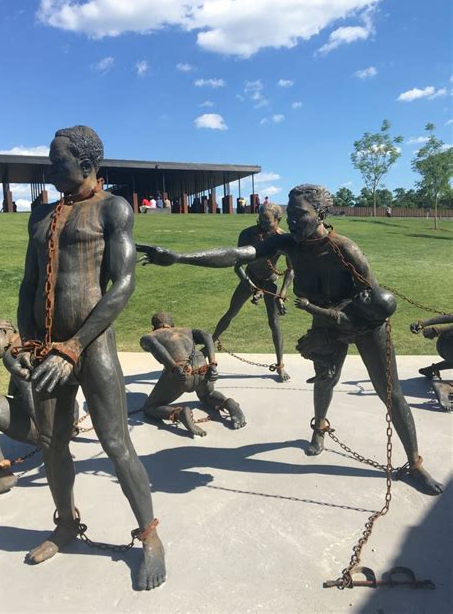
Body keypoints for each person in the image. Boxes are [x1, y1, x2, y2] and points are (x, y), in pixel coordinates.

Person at [136, 183, 443, 496]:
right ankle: (320, 428)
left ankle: (415, 462)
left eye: (301, 215)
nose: (293, 221)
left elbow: (375, 301)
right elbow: (238, 255)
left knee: (389, 392)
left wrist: (342, 320)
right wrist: (179, 257)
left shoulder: (345, 248)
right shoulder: (287, 243)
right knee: (325, 380)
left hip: (364, 323)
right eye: (291, 215)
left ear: (321, 214)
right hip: (325, 320)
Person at [9, 125, 165, 590]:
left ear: (87, 164)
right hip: (44, 349)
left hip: (90, 346)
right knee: (53, 444)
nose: (50, 168)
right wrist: (23, 344)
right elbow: (28, 285)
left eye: (58, 161)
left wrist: (75, 346)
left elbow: (123, 284)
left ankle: (151, 538)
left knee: (116, 445)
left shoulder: (113, 209)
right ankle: (64, 525)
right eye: (50, 160)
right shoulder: (42, 216)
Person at [212, 202, 293, 382]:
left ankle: (280, 366)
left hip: (270, 282)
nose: (262, 227)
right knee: (231, 313)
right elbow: (237, 264)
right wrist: (250, 285)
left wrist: (282, 293)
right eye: (260, 221)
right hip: (250, 277)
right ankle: (209, 345)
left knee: (274, 322)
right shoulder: (248, 234)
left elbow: (291, 270)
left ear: (278, 220)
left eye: (267, 223)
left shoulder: (284, 239)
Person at [140, 312, 246, 437]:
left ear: (153, 327)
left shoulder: (149, 336)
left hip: (180, 373)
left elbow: (153, 344)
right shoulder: (186, 330)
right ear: (172, 325)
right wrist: (212, 363)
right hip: (202, 367)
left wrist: (174, 367)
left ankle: (179, 413)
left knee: (150, 408)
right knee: (208, 395)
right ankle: (228, 403)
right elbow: (207, 335)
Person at [0, 320, 39, 500]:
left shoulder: (13, 355)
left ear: (5, 332)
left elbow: (32, 395)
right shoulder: (29, 343)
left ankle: (1, 476)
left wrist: (52, 439)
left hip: (46, 427)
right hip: (63, 423)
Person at [295, 287, 396, 382]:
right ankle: (326, 368)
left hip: (325, 337)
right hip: (325, 332)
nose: (364, 293)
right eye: (369, 292)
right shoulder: (356, 306)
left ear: (370, 314)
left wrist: (307, 306)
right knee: (303, 345)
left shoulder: (351, 320)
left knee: (303, 349)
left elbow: (329, 315)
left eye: (368, 299)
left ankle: (327, 362)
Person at [411, 314, 453, 411]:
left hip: (445, 345)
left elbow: (448, 317)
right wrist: (436, 330)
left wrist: (423, 324)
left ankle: (429, 370)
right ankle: (443, 387)